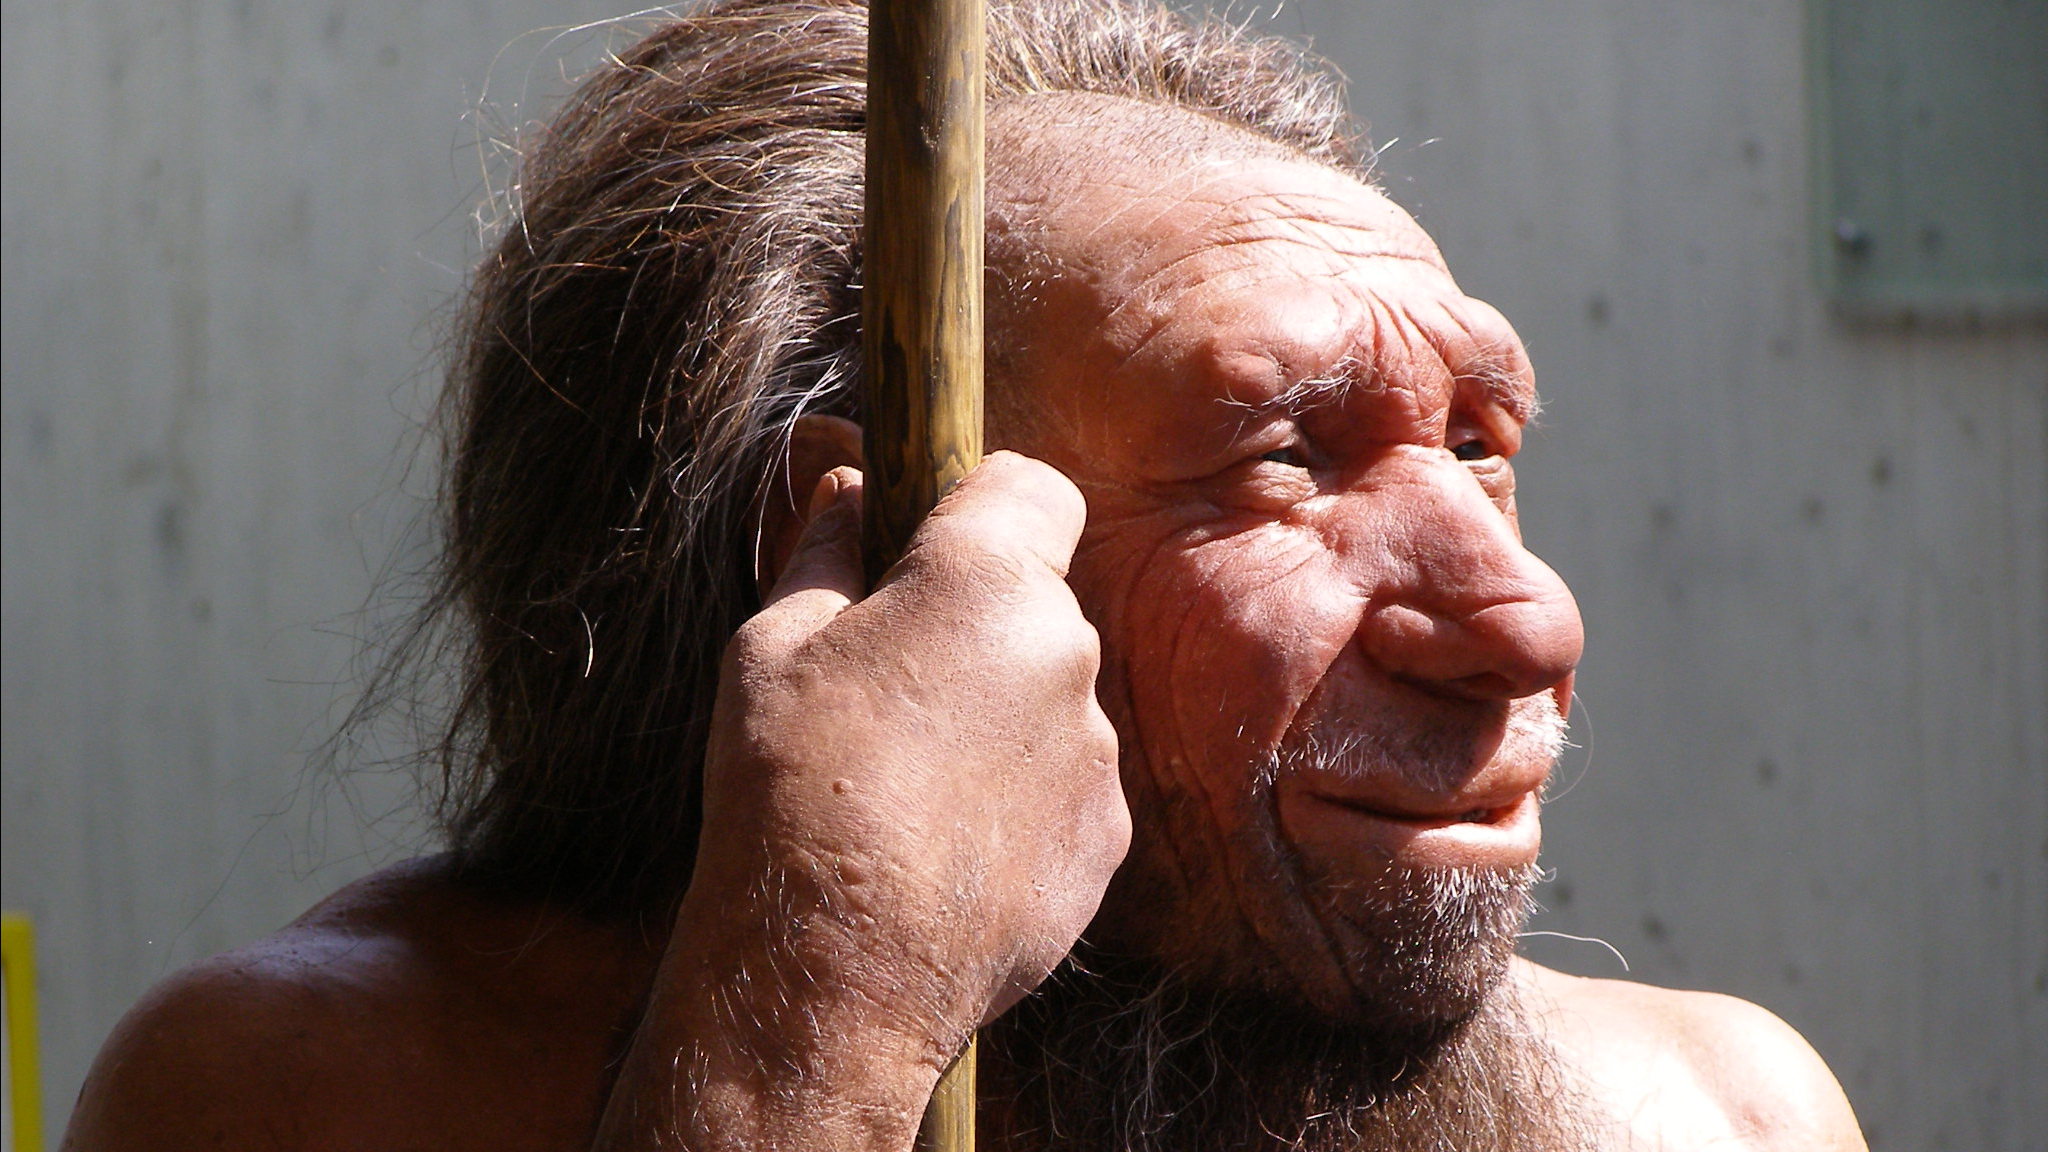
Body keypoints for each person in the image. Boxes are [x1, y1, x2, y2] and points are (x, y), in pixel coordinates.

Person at [64, 0, 1867, 1148]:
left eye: (1481, 440)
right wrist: (817, 1003)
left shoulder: (1710, 1116)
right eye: (1281, 455)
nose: (1525, 623)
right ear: (854, 565)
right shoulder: (319, 1100)